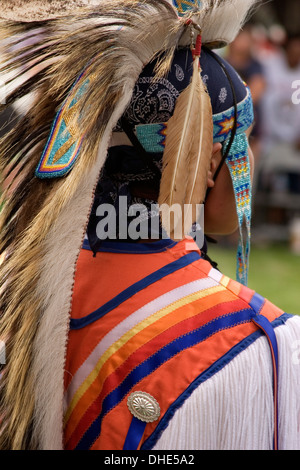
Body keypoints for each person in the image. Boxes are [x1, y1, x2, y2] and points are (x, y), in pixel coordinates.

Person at [0, 0, 299, 451]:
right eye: (244, 145)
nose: (251, 163)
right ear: (206, 158)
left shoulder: (18, 284)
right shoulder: (258, 343)